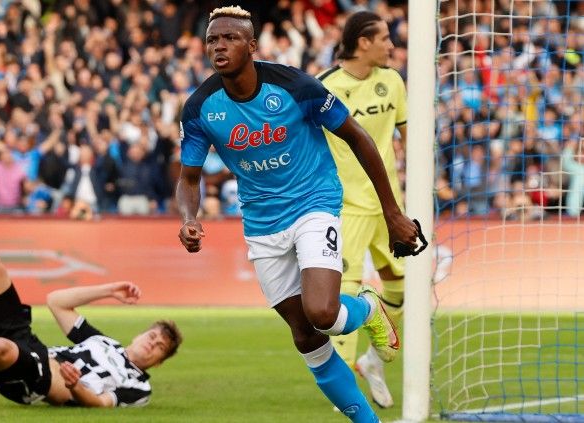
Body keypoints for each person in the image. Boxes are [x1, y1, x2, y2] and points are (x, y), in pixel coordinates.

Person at [176, 6, 421, 423]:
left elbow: (358, 138)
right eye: (213, 39)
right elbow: (189, 177)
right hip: (261, 222)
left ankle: (365, 309)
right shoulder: (200, 107)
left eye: (230, 38)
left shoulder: (296, 86)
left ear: (252, 46)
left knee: (323, 313)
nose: (219, 45)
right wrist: (188, 218)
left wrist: (393, 212)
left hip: (314, 202)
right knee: (306, 337)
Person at [0, 146, 182, 408]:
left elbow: (102, 403)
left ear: (158, 363)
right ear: (140, 334)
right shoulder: (103, 343)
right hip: (35, 349)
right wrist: (109, 290)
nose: (152, 344)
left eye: (159, 348)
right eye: (153, 336)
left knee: (0, 348)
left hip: (45, 383)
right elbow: (57, 301)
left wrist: (76, 387)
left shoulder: (139, 387)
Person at [316, 11, 407, 408]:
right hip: (346, 207)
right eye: (385, 38)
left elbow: (412, 136)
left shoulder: (394, 81)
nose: (392, 45)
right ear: (363, 42)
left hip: (392, 207)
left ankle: (374, 360)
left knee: (402, 285)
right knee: (343, 291)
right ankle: (345, 388)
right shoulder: (326, 87)